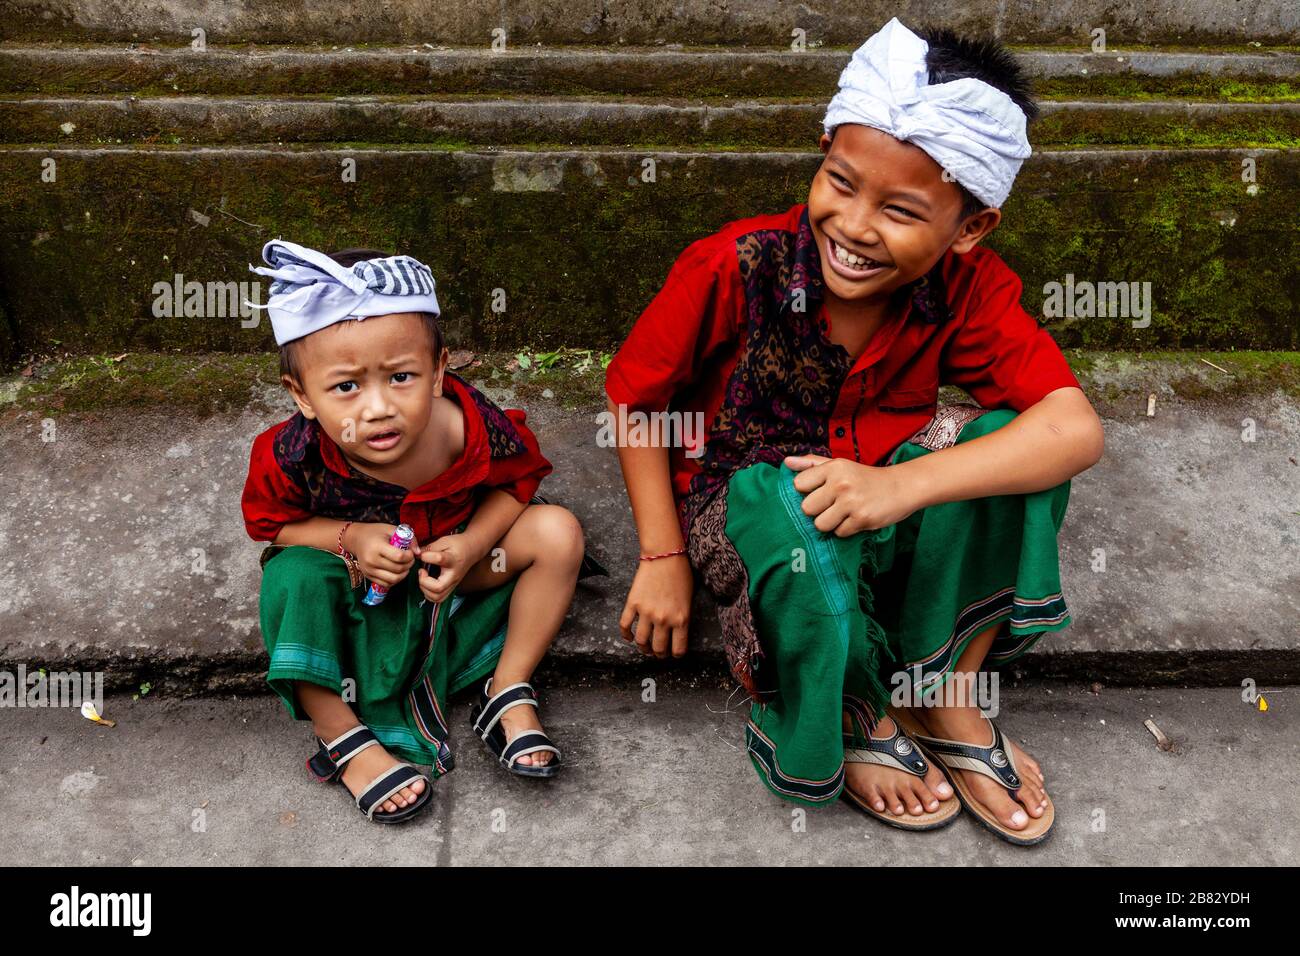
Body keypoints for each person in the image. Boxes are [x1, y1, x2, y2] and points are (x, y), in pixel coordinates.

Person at [604, 18, 1105, 845]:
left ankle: (941, 692)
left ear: (969, 228)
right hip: (754, 511)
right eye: (840, 182)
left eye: (902, 210)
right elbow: (634, 401)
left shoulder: (970, 288)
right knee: (783, 500)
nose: (856, 225)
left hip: (884, 498)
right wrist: (661, 555)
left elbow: (1073, 427)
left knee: (1021, 437)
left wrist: (898, 486)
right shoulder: (734, 265)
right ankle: (852, 708)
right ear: (823, 153)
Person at [241, 241, 585, 823]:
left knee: (557, 531)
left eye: (401, 376)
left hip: (451, 579)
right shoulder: (290, 456)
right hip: (358, 591)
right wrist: (350, 538)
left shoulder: (469, 427)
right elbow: (274, 529)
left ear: (438, 371)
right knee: (291, 578)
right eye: (346, 386)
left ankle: (507, 685)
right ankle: (340, 732)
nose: (378, 409)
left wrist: (474, 543)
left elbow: (518, 484)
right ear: (301, 395)